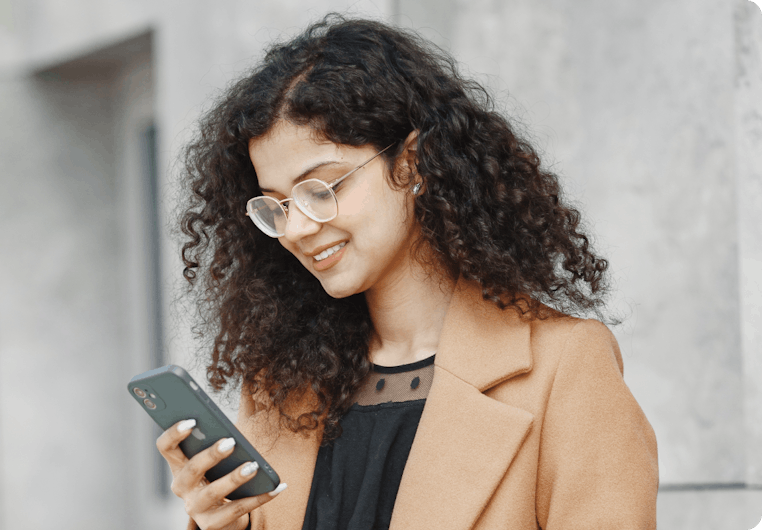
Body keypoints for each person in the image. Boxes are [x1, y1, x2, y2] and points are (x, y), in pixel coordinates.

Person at [155, 14, 659, 530]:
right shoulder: (280, 388)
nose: (298, 229)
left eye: (322, 189)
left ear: (411, 164)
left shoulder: (563, 367)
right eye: (277, 206)